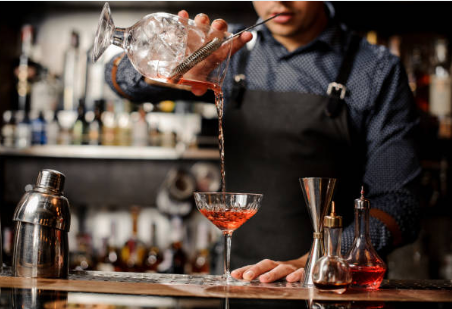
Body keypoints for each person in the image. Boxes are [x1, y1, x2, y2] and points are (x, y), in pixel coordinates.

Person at [105, 2, 421, 283]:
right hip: (236, 278)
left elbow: (399, 204)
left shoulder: (375, 69)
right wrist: (166, 66)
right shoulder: (226, 49)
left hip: (331, 284)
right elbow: (117, 79)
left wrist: (326, 257)